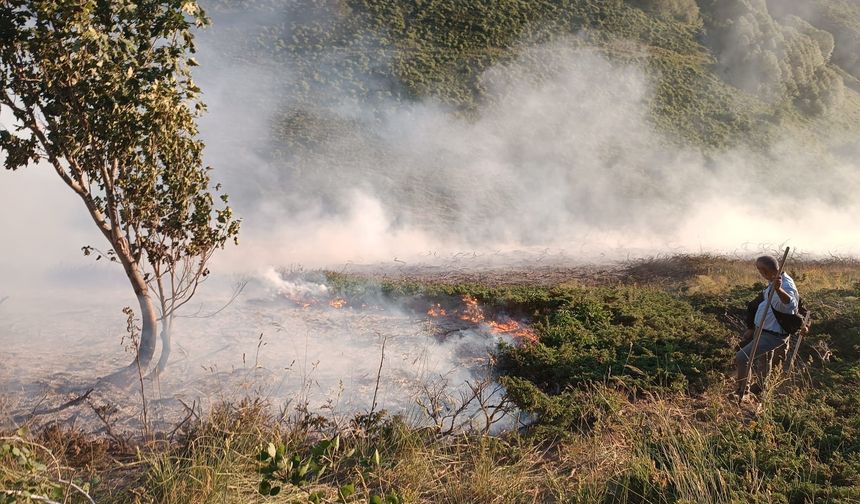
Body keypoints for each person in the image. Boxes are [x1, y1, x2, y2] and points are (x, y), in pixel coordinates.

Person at [735, 255, 799, 399]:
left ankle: (742, 392)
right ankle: (760, 389)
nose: (760, 274)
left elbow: (790, 304)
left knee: (742, 357)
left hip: (772, 335)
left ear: (764, 271)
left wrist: (778, 290)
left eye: (760, 270)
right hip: (763, 330)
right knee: (764, 361)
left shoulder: (785, 284)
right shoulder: (774, 280)